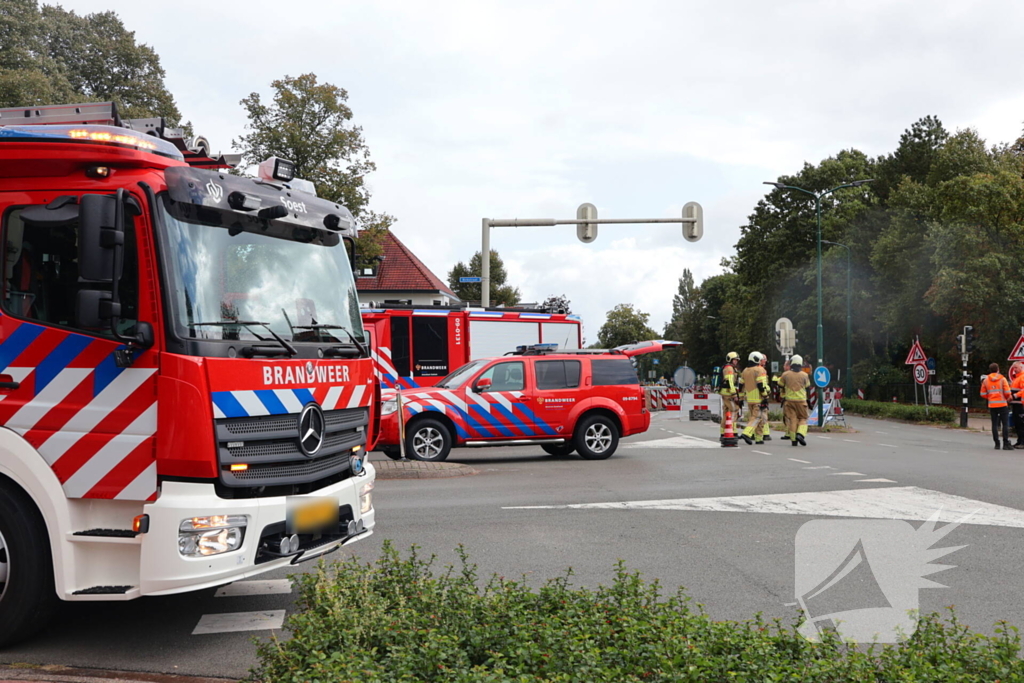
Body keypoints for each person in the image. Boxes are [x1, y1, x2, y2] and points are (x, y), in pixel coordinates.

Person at [778, 354, 811, 446]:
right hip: (801, 400)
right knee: (803, 418)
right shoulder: (805, 375)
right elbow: (808, 388)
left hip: (789, 401)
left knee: (792, 419)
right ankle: (800, 434)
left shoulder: (785, 374)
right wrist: (808, 401)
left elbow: (780, 385)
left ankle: (793, 440)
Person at [981, 363, 1014, 451]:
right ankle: (1006, 443)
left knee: (994, 424)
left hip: (992, 405)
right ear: (998, 369)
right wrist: (1007, 398)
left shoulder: (986, 380)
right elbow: (1007, 392)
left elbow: (982, 394)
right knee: (1005, 424)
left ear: (990, 370)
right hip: (1002, 404)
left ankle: (997, 443)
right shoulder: (1002, 379)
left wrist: (991, 397)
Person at [740, 352, 770, 445]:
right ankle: (746, 433)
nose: (761, 362)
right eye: (760, 360)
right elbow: (761, 384)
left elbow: (741, 386)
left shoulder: (745, 370)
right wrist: (765, 395)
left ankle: (759, 438)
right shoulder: (760, 370)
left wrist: (741, 398)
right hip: (758, 398)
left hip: (749, 399)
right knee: (757, 418)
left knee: (758, 418)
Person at [719, 351, 741, 443]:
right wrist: (734, 394)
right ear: (730, 360)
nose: (736, 362)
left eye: (736, 360)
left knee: (726, 412)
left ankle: (723, 432)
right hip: (728, 393)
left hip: (725, 393)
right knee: (734, 410)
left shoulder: (729, 368)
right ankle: (731, 431)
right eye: (734, 360)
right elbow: (730, 382)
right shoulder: (729, 369)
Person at [758, 353, 773, 441]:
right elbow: (763, 383)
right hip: (761, 394)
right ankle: (765, 433)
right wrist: (767, 392)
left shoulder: (759, 369)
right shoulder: (761, 370)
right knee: (762, 413)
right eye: (764, 359)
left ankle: (764, 433)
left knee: (759, 414)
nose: (766, 361)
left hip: (758, 394)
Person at [1011, 362, 1024, 449]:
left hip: (1021, 405)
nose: (1014, 369)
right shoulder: (1016, 378)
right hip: (1016, 404)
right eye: (1014, 368)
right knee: (1017, 424)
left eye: (1016, 367)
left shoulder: (1022, 377)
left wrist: (1015, 396)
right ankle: (1019, 441)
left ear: (1021, 367)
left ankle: (1022, 442)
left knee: (1021, 424)